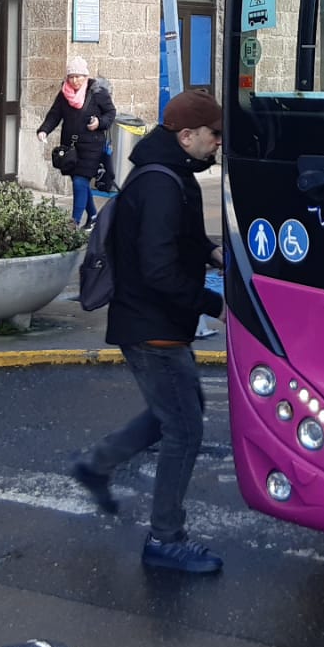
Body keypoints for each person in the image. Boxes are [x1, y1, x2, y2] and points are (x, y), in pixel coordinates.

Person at [68, 88, 227, 575]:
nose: (217, 144)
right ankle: (165, 537)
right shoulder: (161, 183)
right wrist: (215, 304)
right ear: (186, 135)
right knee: (184, 428)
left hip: (150, 320)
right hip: (153, 326)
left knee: (177, 411)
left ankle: (96, 464)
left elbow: (183, 241)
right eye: (213, 135)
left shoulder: (168, 173)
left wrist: (220, 258)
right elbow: (158, 268)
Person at [37, 56, 115, 227]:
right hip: (70, 147)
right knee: (80, 182)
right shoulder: (64, 94)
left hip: (92, 146)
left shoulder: (97, 92)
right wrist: (44, 130)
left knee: (80, 180)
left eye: (78, 76)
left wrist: (99, 123)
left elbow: (110, 113)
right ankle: (94, 216)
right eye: (71, 76)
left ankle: (74, 222)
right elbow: (54, 114)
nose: (75, 80)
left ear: (85, 76)